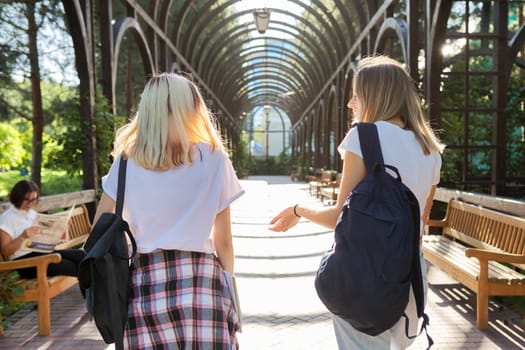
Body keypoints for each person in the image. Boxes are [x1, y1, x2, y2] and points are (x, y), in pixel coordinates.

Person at [270, 55, 444, 349]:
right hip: (411, 279)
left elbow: (339, 216)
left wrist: (300, 210)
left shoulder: (363, 137)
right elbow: (420, 224)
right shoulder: (430, 149)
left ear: (376, 96)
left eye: (356, 95)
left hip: (364, 275)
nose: (351, 103)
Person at [93, 73, 244, 349]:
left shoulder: (126, 163)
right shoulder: (214, 158)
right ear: (191, 109)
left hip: (146, 283)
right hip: (203, 284)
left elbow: (100, 229)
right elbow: (223, 242)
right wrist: (230, 292)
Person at [0, 180, 86, 278]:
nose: (30, 204)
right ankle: (94, 290)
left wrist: (61, 226)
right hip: (27, 263)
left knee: (82, 256)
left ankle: (93, 289)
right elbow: (5, 251)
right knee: (80, 267)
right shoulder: (7, 218)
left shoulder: (32, 214)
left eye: (34, 200)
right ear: (17, 198)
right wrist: (22, 237)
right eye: (27, 200)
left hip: (43, 253)